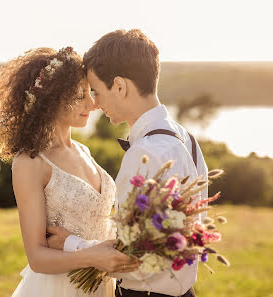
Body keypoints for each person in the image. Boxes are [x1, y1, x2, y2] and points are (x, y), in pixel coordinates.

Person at [47, 29, 208, 297]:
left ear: (120, 86)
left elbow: (135, 258)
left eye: (97, 92)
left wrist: (72, 244)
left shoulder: (145, 153)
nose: (95, 104)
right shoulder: (186, 137)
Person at [0, 46, 139, 297]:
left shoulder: (84, 150)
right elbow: (37, 257)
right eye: (79, 96)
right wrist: (92, 256)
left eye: (89, 92)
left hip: (102, 286)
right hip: (58, 289)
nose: (92, 103)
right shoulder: (30, 163)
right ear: (50, 101)